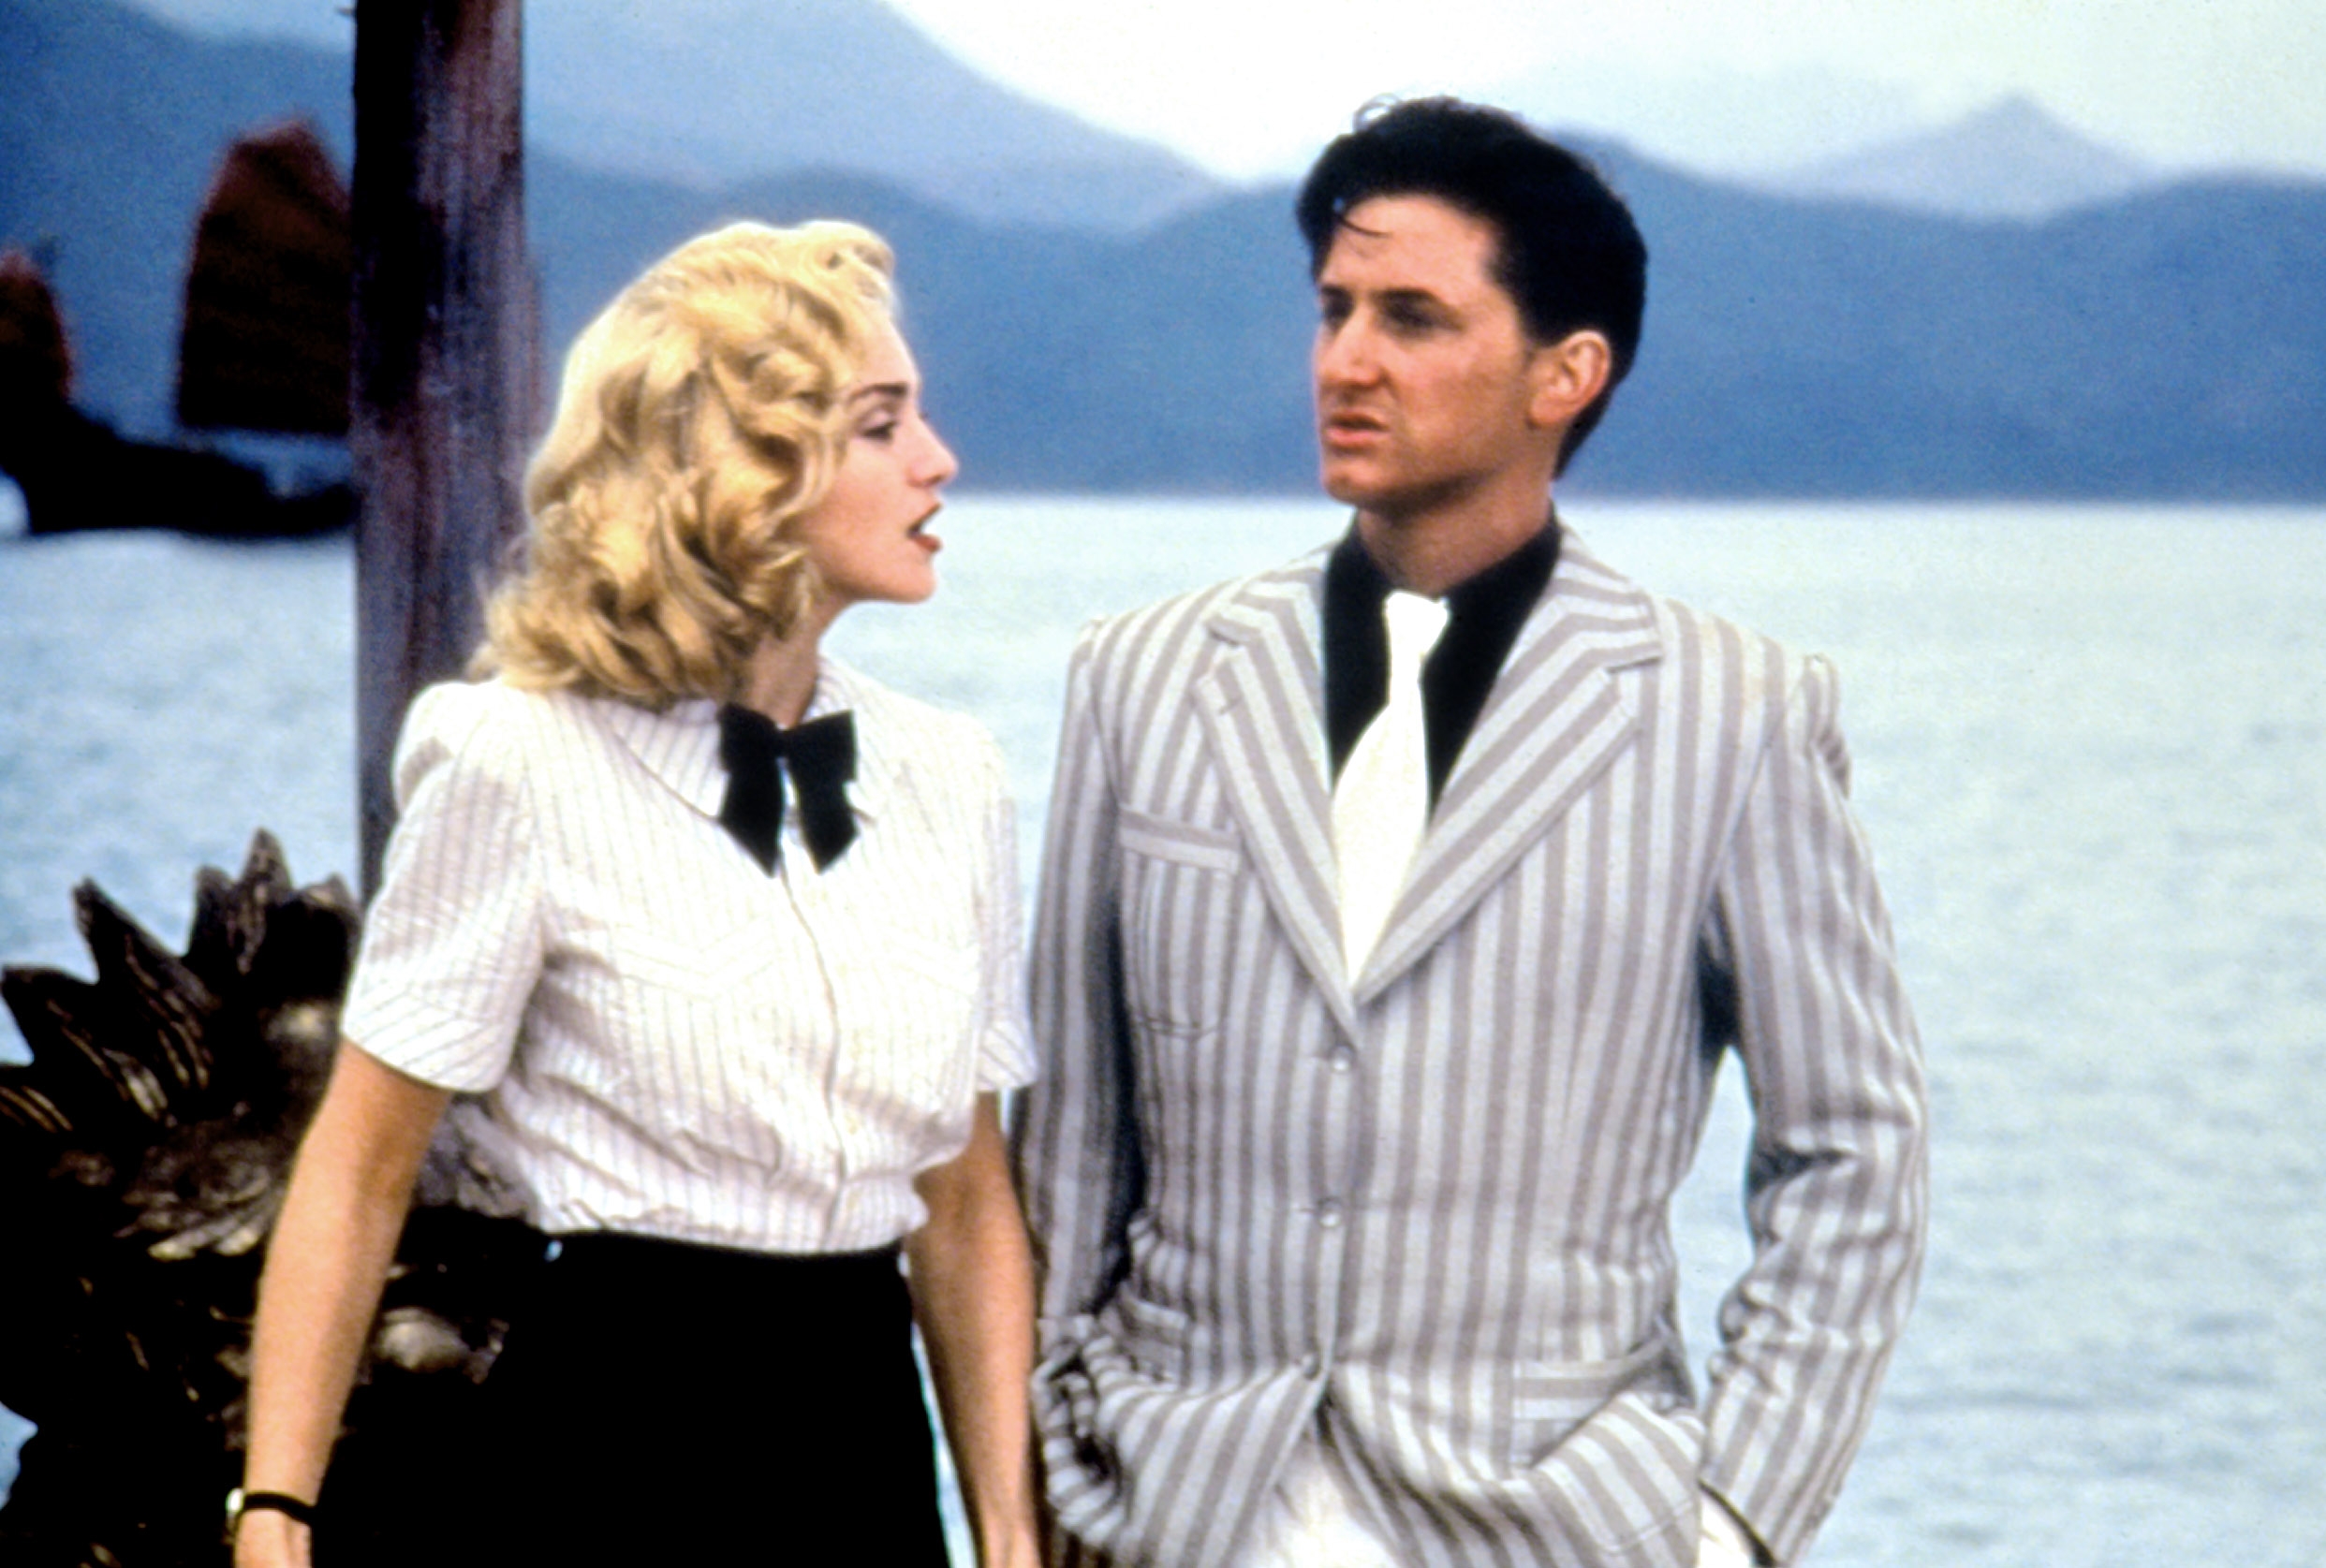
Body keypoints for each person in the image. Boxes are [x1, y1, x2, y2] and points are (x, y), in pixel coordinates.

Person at [1014, 98, 1927, 1568]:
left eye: (1414, 318)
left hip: (1553, 1523)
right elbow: (1070, 1134)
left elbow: (1853, 1148)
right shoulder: (1143, 676)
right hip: (1170, 1510)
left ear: (1567, 372)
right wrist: (1049, 1471)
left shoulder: (1735, 712)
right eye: (1335, 309)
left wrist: (1733, 1523)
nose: (1346, 361)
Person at [234, 221, 1040, 1567]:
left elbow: (965, 1205)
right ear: (745, 475)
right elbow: (361, 1171)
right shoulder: (518, 761)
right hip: (606, 1458)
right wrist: (275, 1514)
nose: (937, 458)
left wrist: (1009, 1535)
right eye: (881, 425)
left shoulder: (951, 778)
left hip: (867, 1460)